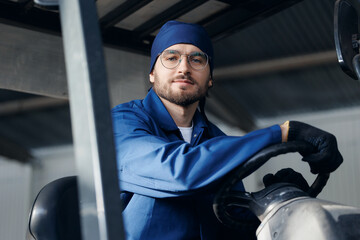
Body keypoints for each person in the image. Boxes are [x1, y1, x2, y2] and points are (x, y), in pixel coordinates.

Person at [111, 20, 343, 240]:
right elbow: (180, 171)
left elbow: (229, 224)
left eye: (197, 59)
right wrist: (282, 134)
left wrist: (272, 201)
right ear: (152, 73)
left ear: (210, 77)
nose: (184, 68)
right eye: (171, 57)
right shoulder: (124, 124)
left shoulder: (216, 140)